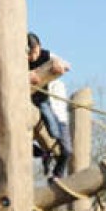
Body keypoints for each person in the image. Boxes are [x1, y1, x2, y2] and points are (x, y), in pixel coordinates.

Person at [26, 33, 73, 178]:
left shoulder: (47, 55)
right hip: (30, 102)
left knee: (56, 133)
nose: (32, 57)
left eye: (33, 53)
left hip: (45, 100)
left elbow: (66, 65)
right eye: (28, 54)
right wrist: (27, 74)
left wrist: (60, 65)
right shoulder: (21, 60)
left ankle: (56, 172)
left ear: (38, 47)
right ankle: (44, 154)